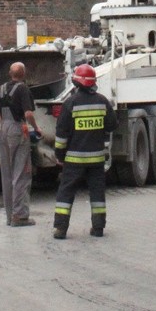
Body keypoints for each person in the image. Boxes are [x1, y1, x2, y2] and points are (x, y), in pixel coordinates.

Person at [52, 64, 116, 239]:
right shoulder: (103, 101)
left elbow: (61, 134)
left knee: (66, 193)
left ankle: (60, 229)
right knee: (97, 193)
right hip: (96, 159)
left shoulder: (70, 103)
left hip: (73, 160)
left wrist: (59, 155)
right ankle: (98, 228)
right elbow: (112, 125)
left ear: (76, 82)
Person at [0, 61, 42, 227]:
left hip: (4, 128)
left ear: (9, 73)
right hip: (17, 128)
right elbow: (28, 113)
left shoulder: (1, 89)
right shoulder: (23, 89)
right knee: (21, 172)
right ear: (24, 74)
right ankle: (20, 216)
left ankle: (9, 216)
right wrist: (36, 128)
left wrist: (5, 125)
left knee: (6, 174)